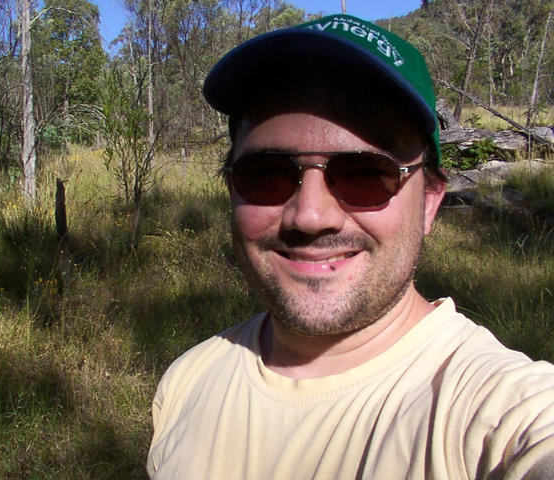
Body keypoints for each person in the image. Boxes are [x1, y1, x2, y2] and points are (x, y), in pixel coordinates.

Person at [147, 13, 554, 479]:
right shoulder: (186, 383)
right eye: (266, 174)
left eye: (365, 175)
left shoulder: (496, 412)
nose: (310, 215)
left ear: (429, 203)